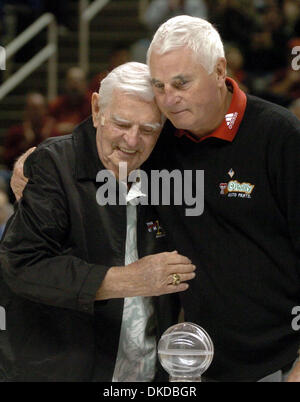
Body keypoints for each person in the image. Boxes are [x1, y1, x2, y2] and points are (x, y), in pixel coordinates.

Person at [0, 62, 196, 382]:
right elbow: (21, 265)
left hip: (145, 372)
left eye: (148, 129)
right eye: (121, 123)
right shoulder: (55, 166)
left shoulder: (172, 170)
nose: (132, 142)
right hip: (59, 371)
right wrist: (127, 280)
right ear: (96, 110)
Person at [146, 15, 300, 381]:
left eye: (182, 83)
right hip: (193, 366)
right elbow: (102, 130)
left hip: (280, 363)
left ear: (219, 70)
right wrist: (35, 160)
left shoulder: (281, 137)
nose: (169, 98)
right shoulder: (156, 140)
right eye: (159, 85)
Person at [3, 92, 59, 170]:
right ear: (26, 110)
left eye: (39, 108)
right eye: (32, 108)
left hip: (45, 175)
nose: (36, 112)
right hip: (17, 173)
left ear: (45, 110)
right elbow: (6, 160)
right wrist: (24, 144)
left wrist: (46, 140)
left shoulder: (52, 131)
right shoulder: (16, 131)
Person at [48, 67, 92, 136]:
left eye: (79, 81)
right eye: (71, 81)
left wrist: (73, 128)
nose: (75, 85)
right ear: (65, 83)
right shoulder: (56, 104)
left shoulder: (93, 104)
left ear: (86, 83)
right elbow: (48, 130)